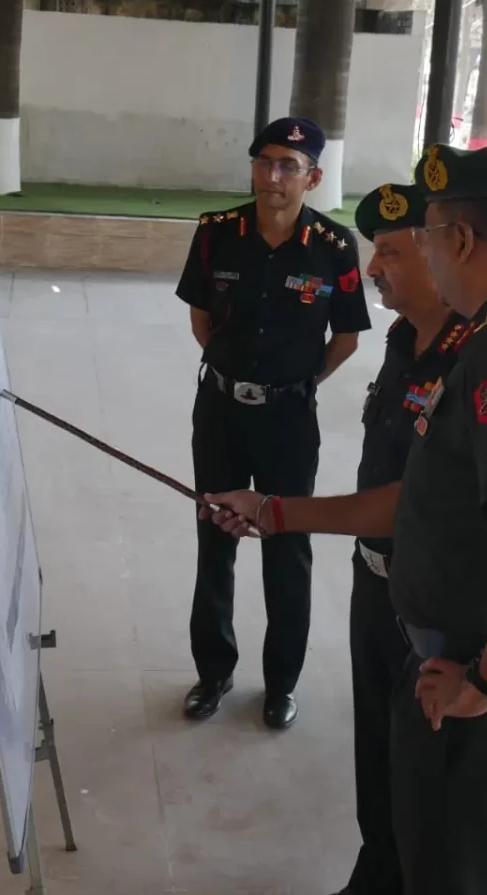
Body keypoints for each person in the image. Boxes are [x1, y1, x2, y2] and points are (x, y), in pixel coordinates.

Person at [203, 144, 487, 895]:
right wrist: (277, 511)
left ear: (455, 241)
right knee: (453, 851)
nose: (388, 265)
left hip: (484, 663)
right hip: (473, 643)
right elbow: (437, 495)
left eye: (417, 240)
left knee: (460, 868)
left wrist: (485, 681)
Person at [176, 116, 372, 730]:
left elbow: (345, 337)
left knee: (287, 547)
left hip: (289, 418)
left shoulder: (335, 247)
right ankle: (214, 672)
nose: (274, 176)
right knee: (216, 536)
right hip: (220, 411)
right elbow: (202, 319)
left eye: (289, 166)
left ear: (312, 177)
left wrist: (301, 384)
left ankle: (280, 682)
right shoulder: (215, 234)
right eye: (265, 162)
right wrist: (236, 379)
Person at [335, 183, 464, 895]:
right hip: (372, 579)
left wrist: (281, 512)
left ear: (440, 249)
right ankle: (375, 870)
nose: (373, 268)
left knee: (426, 765)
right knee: (374, 744)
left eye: (389, 250)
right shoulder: (398, 340)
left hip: (431, 596)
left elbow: (412, 503)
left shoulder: (475, 352)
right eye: (372, 251)